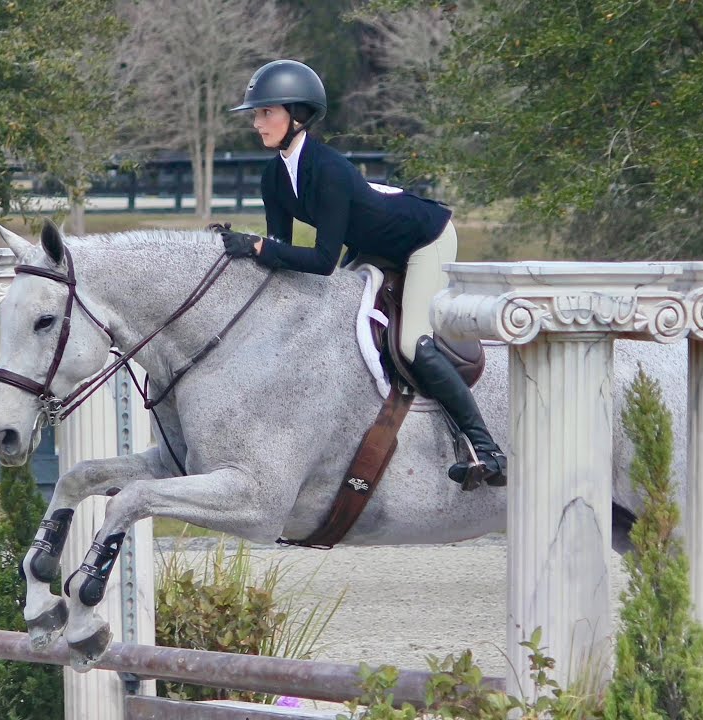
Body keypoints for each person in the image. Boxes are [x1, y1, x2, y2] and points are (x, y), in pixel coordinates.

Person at [213, 59, 506, 488]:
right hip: (372, 245)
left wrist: (257, 247)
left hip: (423, 239)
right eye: (256, 114)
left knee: (410, 343)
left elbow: (321, 261)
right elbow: (282, 248)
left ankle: (488, 450)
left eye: (266, 112)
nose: (257, 123)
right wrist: (251, 248)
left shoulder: (328, 170)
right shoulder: (273, 176)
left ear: (298, 115)